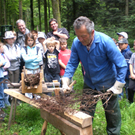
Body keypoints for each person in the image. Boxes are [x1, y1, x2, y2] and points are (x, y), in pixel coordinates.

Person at [61, 16, 127, 135]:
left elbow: (121, 64)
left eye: (83, 36)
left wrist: (118, 85)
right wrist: (66, 80)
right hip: (89, 83)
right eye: (77, 35)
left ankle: (113, 133)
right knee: (85, 113)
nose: (80, 39)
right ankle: (85, 132)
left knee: (112, 113)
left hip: (107, 83)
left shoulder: (105, 42)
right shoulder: (77, 43)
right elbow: (71, 63)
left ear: (92, 32)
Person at [21, 33, 42, 99]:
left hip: (36, 69)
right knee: (28, 84)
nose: (30, 42)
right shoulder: (24, 49)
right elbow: (26, 60)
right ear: (26, 41)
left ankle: (37, 98)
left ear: (34, 40)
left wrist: (30, 58)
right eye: (28, 40)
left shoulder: (37, 48)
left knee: (37, 84)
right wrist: (35, 57)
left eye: (31, 40)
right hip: (28, 70)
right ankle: (28, 100)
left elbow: (40, 59)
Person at [0, 42, 11, 106]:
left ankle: (2, 107)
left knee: (1, 92)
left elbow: (4, 62)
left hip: (1, 76)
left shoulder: (1, 55)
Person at [0, 42, 7, 121]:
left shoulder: (0, 55)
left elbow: (4, 62)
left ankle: (1, 109)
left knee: (1, 94)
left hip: (0, 77)